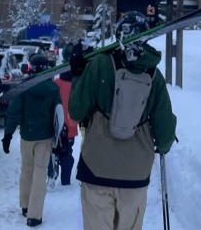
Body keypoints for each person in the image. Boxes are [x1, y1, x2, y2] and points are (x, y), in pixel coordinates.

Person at [69, 13, 177, 230]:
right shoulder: (154, 76)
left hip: (96, 168)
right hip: (136, 175)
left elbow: (76, 110)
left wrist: (78, 75)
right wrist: (162, 146)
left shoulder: (99, 64)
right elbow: (165, 131)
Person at [3, 53, 63, 227]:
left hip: (27, 136)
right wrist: (58, 137)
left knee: (26, 170)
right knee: (40, 173)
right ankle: (34, 215)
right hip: (44, 137)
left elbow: (14, 112)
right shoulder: (53, 89)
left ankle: (25, 205)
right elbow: (58, 114)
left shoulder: (25, 87)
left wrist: (7, 135)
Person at [52, 42, 82, 185]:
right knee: (67, 152)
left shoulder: (56, 83)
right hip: (71, 124)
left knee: (53, 150)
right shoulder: (79, 84)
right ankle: (65, 179)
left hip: (56, 124)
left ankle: (52, 172)